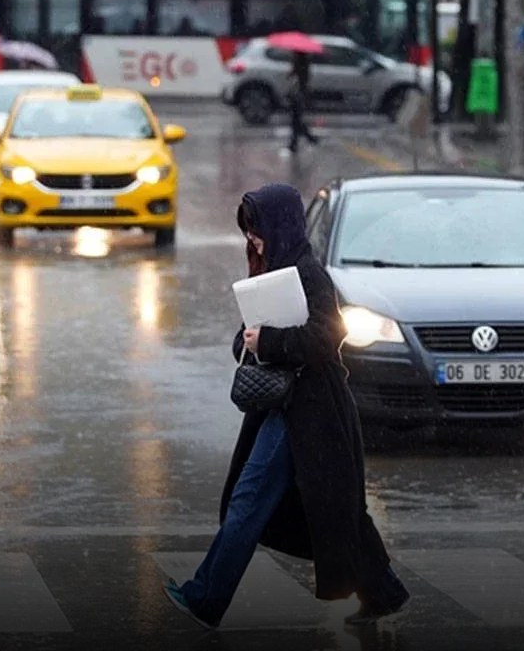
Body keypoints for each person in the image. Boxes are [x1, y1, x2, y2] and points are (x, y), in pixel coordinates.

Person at [163, 184, 409, 629]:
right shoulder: (274, 271)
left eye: (256, 229)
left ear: (278, 226)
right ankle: (383, 591)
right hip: (284, 407)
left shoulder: (310, 274)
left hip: (312, 411)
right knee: (337, 510)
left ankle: (205, 597)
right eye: (248, 231)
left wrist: (269, 341)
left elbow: (327, 337)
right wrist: (252, 339)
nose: (252, 239)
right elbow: (244, 338)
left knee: (253, 501)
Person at [285, 51, 318, 155]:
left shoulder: (300, 63)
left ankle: (294, 144)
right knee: (296, 119)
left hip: (298, 94)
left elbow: (299, 77)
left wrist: (293, 71)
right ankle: (309, 138)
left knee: (295, 119)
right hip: (299, 93)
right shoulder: (303, 62)